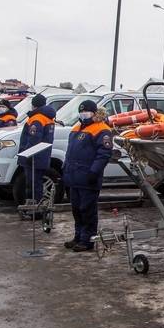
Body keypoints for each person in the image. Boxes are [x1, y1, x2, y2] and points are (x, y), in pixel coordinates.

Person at [62, 100, 113, 252]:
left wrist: (94, 171)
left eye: (86, 111)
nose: (83, 113)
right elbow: (70, 152)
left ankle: (88, 239)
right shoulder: (77, 128)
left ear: (94, 112)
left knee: (87, 210)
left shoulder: (102, 129)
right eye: (81, 111)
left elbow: (104, 154)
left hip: (88, 177)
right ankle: (78, 236)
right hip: (74, 177)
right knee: (76, 209)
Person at [18, 94, 56, 211]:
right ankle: (36, 208)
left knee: (33, 185)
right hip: (42, 157)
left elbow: (33, 139)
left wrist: (27, 155)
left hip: (33, 158)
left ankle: (36, 209)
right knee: (37, 184)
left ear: (34, 105)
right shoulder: (48, 118)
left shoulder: (37, 119)